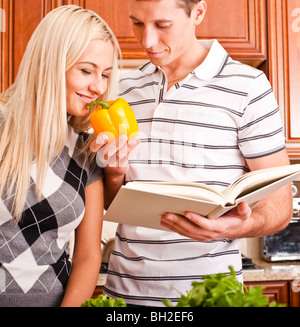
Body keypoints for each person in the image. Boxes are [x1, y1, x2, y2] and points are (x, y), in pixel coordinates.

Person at [91, 0, 293, 307]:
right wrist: (115, 174)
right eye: (137, 23)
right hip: (125, 296)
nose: (146, 41)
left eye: (162, 25)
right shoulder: (121, 89)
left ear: (197, 13)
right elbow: (112, 202)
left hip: (209, 296)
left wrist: (241, 226)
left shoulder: (248, 86)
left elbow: (281, 204)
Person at [0, 5, 120, 307]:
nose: (98, 87)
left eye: (105, 74)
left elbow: (87, 256)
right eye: (86, 70)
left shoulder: (86, 151)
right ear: (51, 63)